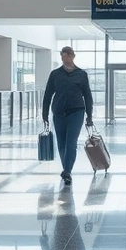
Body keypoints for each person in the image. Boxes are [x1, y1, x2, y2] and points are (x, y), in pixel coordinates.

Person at [42, 46, 94, 186]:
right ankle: (66, 169)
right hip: (59, 113)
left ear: (72, 56)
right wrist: (44, 114)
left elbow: (88, 96)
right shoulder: (55, 74)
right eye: (63, 56)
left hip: (76, 112)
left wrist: (89, 115)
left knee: (71, 143)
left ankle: (67, 171)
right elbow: (48, 94)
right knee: (61, 144)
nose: (65, 58)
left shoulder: (81, 74)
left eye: (67, 55)